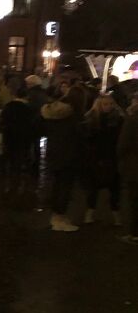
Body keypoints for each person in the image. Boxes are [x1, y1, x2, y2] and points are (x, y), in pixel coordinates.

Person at [41, 87, 86, 232]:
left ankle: (57, 216)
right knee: (64, 187)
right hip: (69, 155)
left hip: (54, 152)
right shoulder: (74, 116)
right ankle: (59, 218)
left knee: (57, 185)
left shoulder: (56, 113)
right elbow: (78, 137)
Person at [82, 94, 125, 226]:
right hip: (97, 158)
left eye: (110, 104)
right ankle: (89, 214)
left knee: (114, 189)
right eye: (105, 104)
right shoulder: (92, 121)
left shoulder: (118, 120)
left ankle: (116, 216)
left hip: (112, 158)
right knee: (94, 188)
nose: (108, 107)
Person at [0, 87, 36, 202]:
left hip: (9, 137)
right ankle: (17, 181)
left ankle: (7, 180)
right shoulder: (29, 109)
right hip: (23, 139)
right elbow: (31, 125)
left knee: (9, 157)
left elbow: (2, 121)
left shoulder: (8, 106)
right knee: (19, 160)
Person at [116, 95, 138, 244]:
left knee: (134, 200)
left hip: (134, 166)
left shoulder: (132, 120)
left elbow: (122, 146)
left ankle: (135, 233)